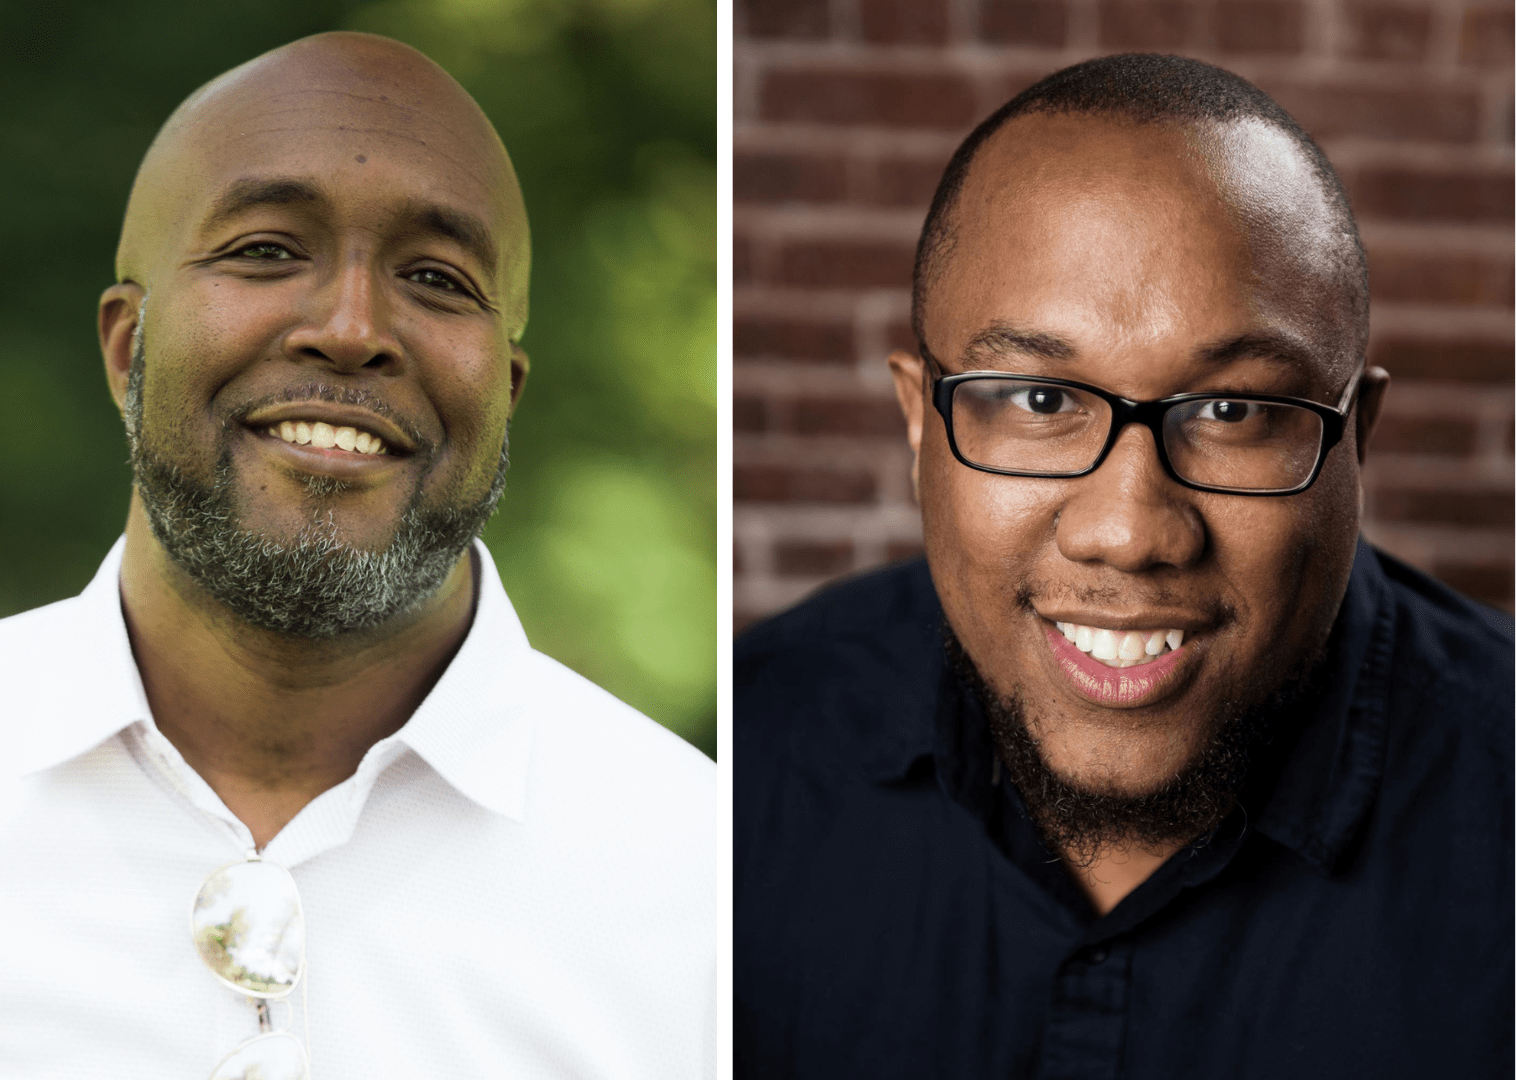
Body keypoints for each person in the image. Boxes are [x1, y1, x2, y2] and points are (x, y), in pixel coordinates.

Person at [735, 54, 1511, 1079]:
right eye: (1041, 402)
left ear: (1353, 442)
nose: (1130, 530)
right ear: (917, 423)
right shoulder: (745, 765)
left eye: (1233, 411)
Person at [0, 32, 713, 1080]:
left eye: (435, 277)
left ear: (503, 395)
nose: (350, 328)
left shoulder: (700, 879)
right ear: (126, 351)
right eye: (265, 251)